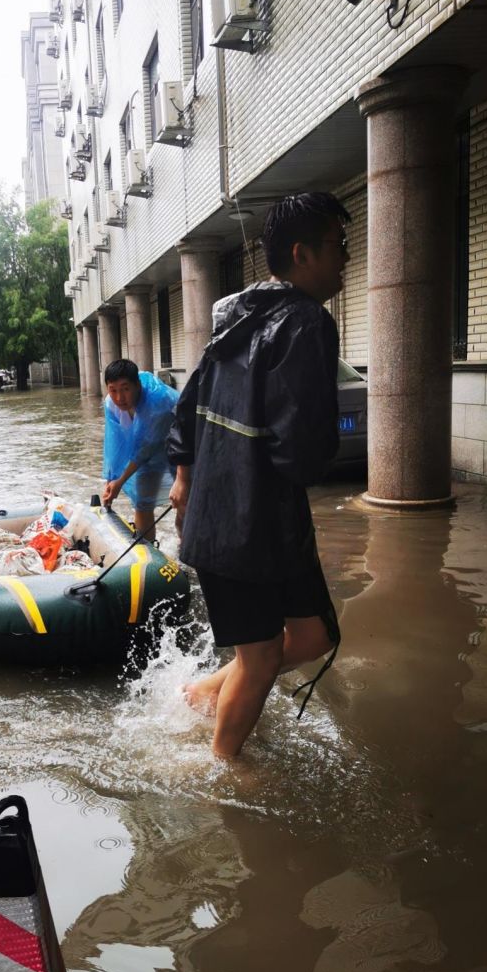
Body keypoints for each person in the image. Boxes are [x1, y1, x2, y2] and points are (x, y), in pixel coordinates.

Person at [166, 192, 350, 758]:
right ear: (303, 254)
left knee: (315, 636)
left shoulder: (236, 319)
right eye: (338, 248)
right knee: (265, 654)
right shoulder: (304, 323)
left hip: (250, 520)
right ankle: (222, 768)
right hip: (250, 522)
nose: (345, 258)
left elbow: (187, 408)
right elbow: (300, 450)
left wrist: (185, 479)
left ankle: (203, 692)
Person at [102, 359, 180, 542]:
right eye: (113, 390)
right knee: (142, 501)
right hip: (146, 449)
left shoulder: (158, 404)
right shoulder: (110, 404)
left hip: (179, 447)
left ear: (137, 385)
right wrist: (110, 482)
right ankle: (148, 555)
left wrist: (120, 482)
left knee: (184, 500)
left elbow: (145, 450)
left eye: (125, 389)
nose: (119, 397)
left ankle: (184, 548)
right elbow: (115, 445)